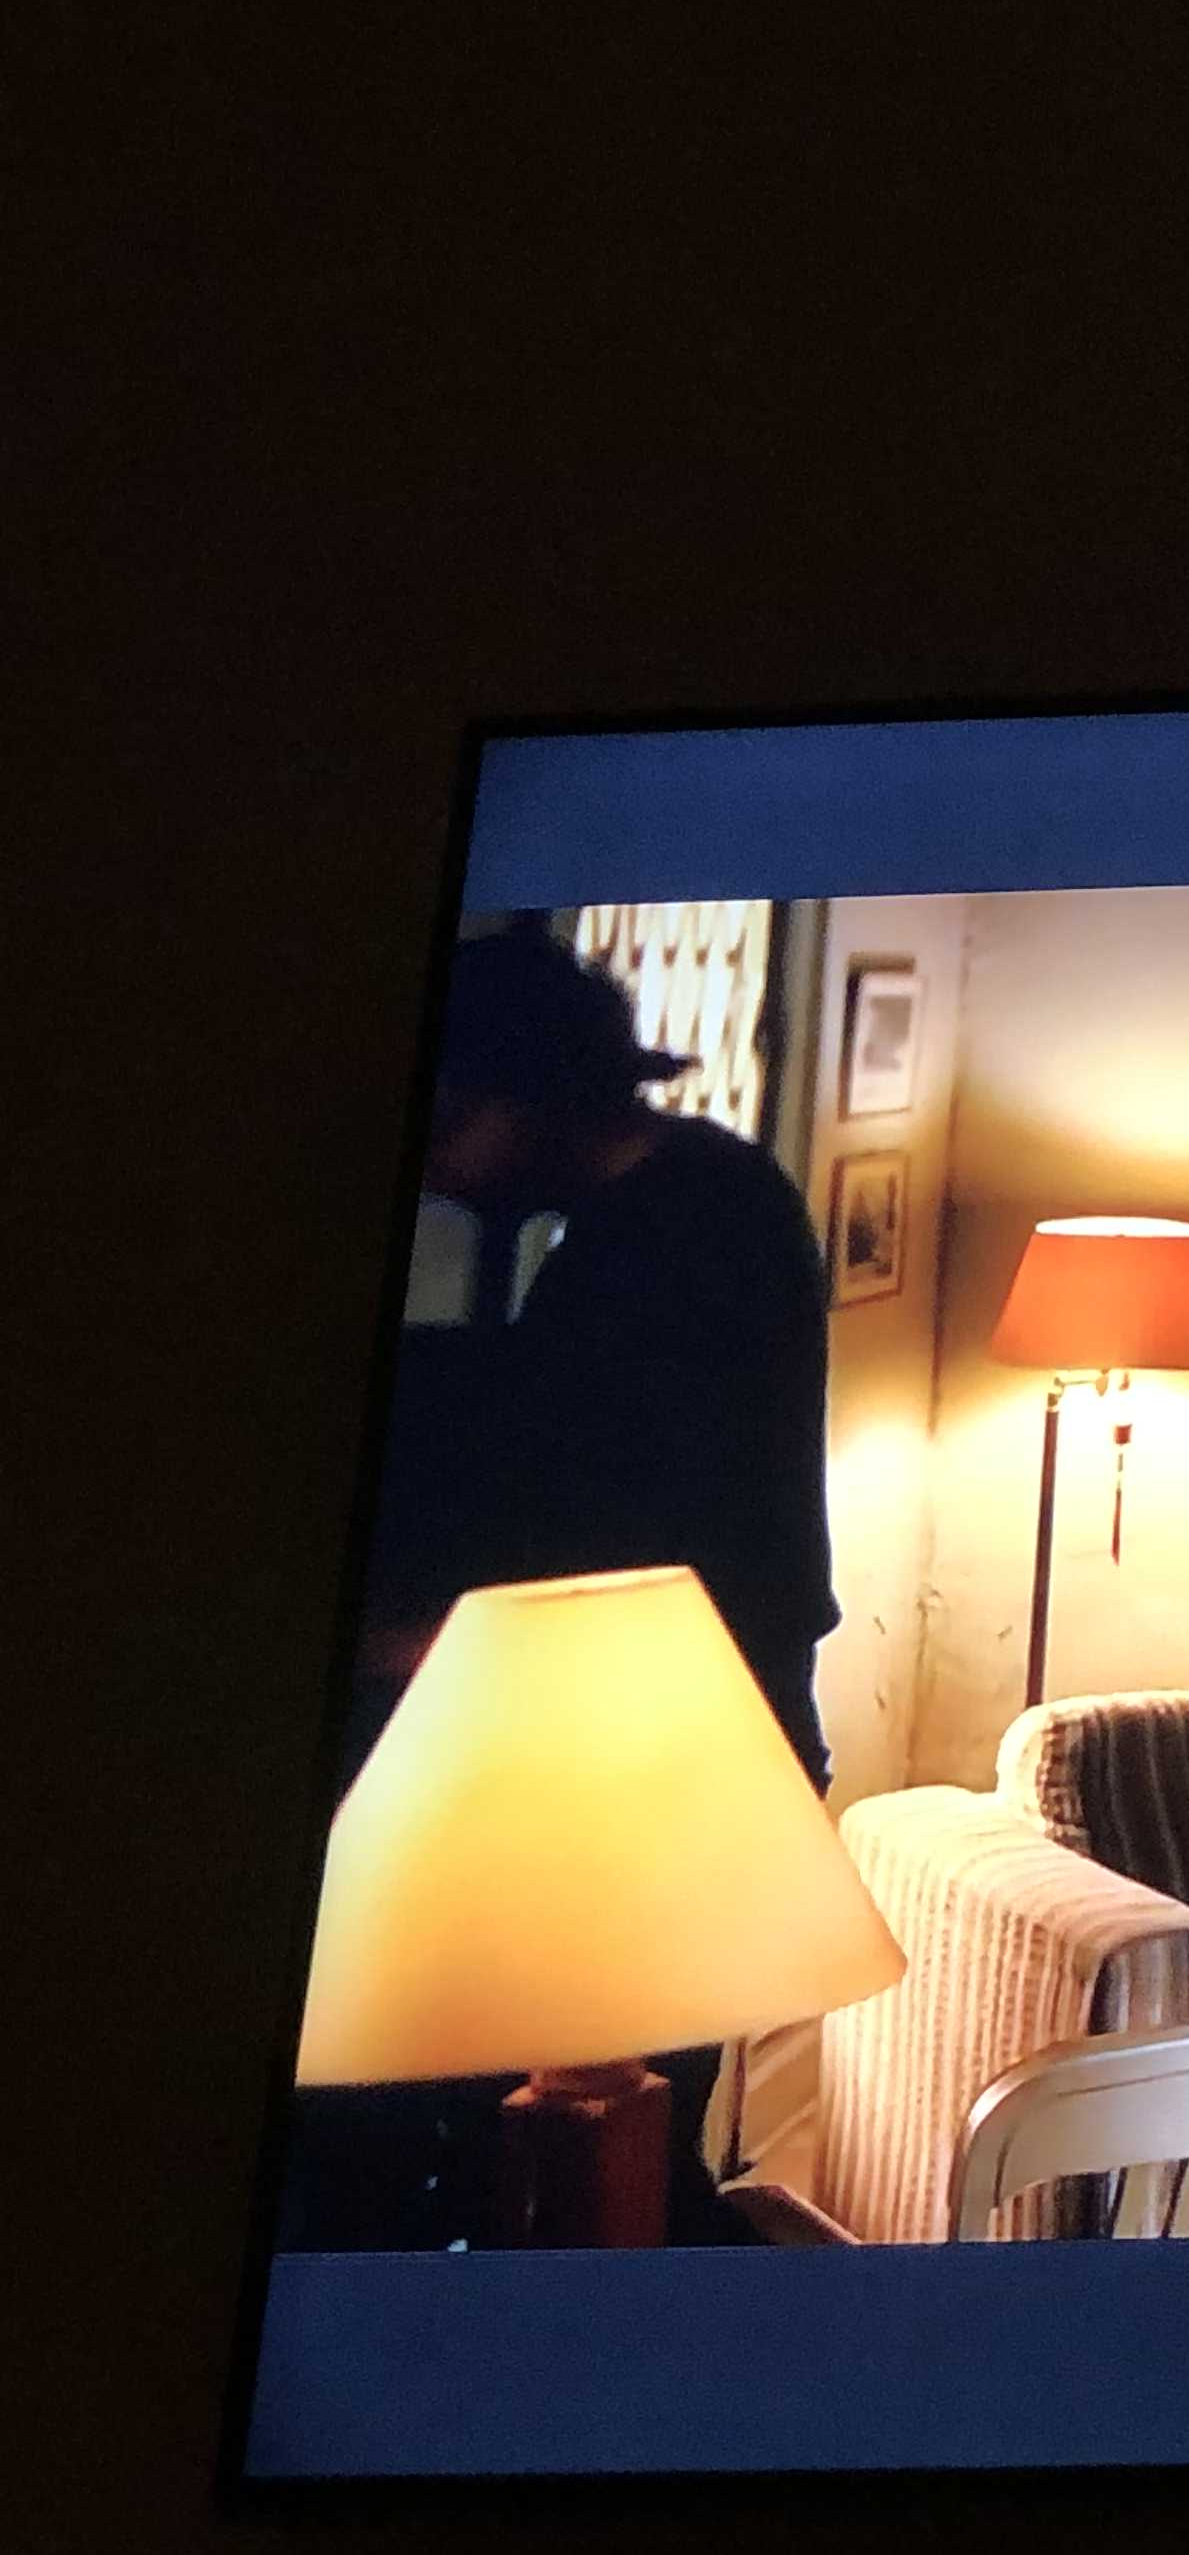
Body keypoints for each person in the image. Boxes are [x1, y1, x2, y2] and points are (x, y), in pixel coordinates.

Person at [307, 927, 840, 2246]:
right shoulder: (690, 1201)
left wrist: (416, 1641)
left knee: (599, 2149)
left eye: (451, 1120)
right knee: (599, 2145)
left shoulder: (681, 1238)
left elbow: (627, 1525)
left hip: (677, 1756)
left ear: (530, 1090)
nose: (435, 1160)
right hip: (689, 1735)